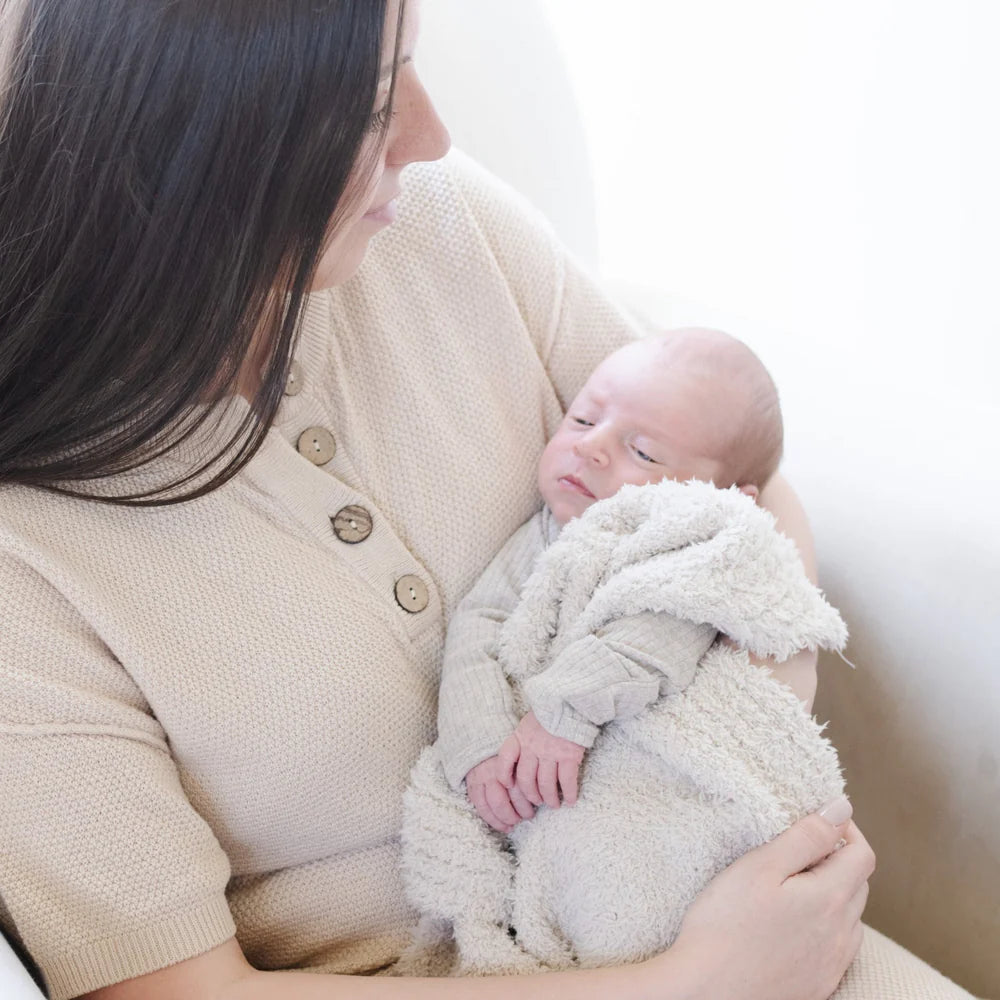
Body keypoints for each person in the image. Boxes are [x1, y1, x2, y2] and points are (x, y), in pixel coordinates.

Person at [3, 0, 938, 998]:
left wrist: (714, 736)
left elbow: (731, 495)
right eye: (368, 108)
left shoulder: (439, 221)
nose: (432, 133)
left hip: (732, 904)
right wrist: (691, 981)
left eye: (411, 67)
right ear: (202, 146)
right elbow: (166, 989)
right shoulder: (31, 553)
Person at [433, 327, 795, 833]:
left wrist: (565, 710)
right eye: (582, 418)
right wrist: (478, 744)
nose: (590, 445)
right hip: (543, 785)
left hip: (662, 786)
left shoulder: (700, 549)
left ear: (723, 498)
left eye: (643, 452)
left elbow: (664, 629)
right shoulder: (547, 533)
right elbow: (479, 625)